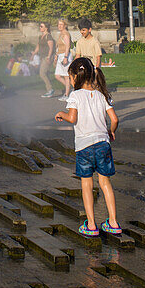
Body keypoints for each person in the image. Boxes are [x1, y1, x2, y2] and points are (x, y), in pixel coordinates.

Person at [54, 56, 120, 237]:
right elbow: (114, 119)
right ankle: (113, 222)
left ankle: (91, 225)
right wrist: (111, 132)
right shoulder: (101, 95)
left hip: (84, 146)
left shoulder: (75, 95)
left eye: (71, 77)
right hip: (102, 144)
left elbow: (72, 118)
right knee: (105, 182)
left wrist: (62, 114)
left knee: (86, 184)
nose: (71, 80)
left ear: (77, 76)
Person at [33, 22, 56, 99]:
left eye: (41, 26)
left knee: (42, 73)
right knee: (45, 73)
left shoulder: (48, 36)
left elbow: (51, 47)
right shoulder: (41, 36)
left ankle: (50, 89)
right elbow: (38, 46)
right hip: (42, 57)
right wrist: (33, 53)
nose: (40, 27)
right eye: (40, 26)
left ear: (46, 28)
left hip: (47, 57)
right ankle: (49, 89)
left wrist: (49, 57)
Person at [54, 18, 72, 98]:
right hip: (60, 55)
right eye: (58, 24)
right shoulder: (61, 34)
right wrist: (56, 56)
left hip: (65, 55)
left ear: (65, 25)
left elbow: (68, 46)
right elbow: (58, 47)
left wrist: (65, 57)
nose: (59, 26)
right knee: (57, 75)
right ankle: (69, 88)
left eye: (61, 24)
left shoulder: (66, 34)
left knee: (66, 76)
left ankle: (67, 94)